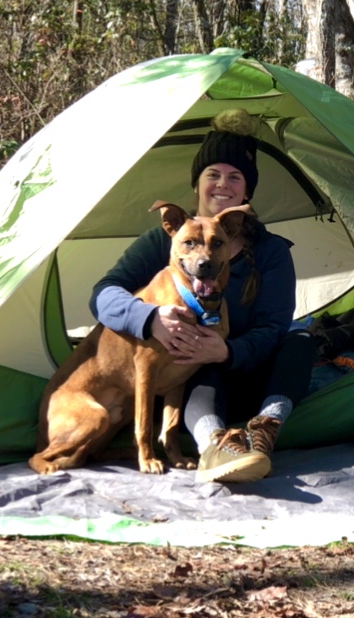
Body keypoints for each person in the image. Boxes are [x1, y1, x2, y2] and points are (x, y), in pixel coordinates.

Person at [90, 109, 316, 483]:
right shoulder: (165, 240)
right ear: (197, 184)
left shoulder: (272, 252)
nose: (222, 185)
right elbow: (103, 295)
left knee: (300, 341)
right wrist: (148, 319)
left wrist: (229, 351)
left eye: (235, 177)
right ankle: (214, 445)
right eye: (213, 174)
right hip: (197, 375)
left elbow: (273, 327)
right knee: (199, 368)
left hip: (255, 373)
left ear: (246, 193)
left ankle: (264, 432)